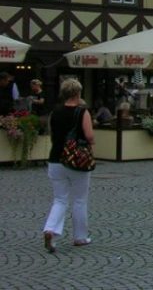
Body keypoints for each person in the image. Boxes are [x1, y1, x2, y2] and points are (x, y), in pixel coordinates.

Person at [43, 78, 94, 252]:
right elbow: (89, 136)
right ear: (78, 93)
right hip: (77, 160)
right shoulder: (82, 112)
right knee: (79, 199)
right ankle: (80, 237)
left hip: (56, 159)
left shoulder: (55, 112)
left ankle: (51, 229)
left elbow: (52, 134)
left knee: (59, 199)